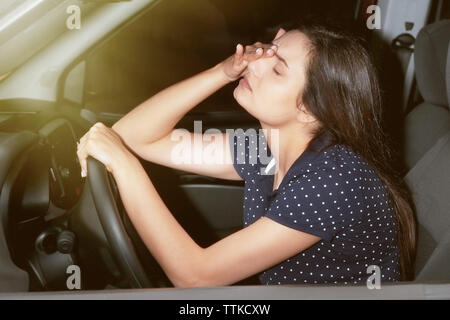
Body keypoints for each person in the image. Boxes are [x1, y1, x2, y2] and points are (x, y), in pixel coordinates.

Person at [76, 22, 417, 287]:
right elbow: (136, 137)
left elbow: (195, 276)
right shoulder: (265, 149)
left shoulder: (335, 179)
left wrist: (124, 164)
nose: (254, 65)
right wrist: (220, 72)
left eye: (277, 68)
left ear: (311, 110)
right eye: (266, 51)